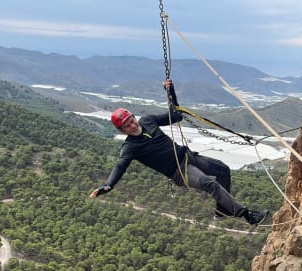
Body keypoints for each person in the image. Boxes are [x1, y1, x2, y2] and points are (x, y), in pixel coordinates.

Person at [89, 79, 269, 226]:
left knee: (223, 169)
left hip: (188, 156)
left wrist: (170, 92)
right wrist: (108, 186)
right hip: (179, 171)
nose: (132, 125)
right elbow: (120, 166)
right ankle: (247, 215)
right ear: (122, 130)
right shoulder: (130, 147)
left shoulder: (148, 121)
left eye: (131, 120)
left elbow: (176, 115)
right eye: (127, 125)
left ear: (134, 117)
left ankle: (222, 210)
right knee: (208, 183)